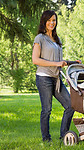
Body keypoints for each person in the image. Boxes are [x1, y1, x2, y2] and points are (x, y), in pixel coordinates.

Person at [32, 10, 80, 142]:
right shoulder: (40, 38)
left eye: (54, 20)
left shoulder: (56, 39)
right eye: (49, 20)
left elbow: (59, 61)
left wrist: (73, 62)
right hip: (44, 78)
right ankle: (46, 139)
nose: (52, 23)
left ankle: (64, 135)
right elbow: (35, 60)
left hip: (56, 78)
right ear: (44, 21)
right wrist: (56, 63)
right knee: (47, 109)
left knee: (71, 105)